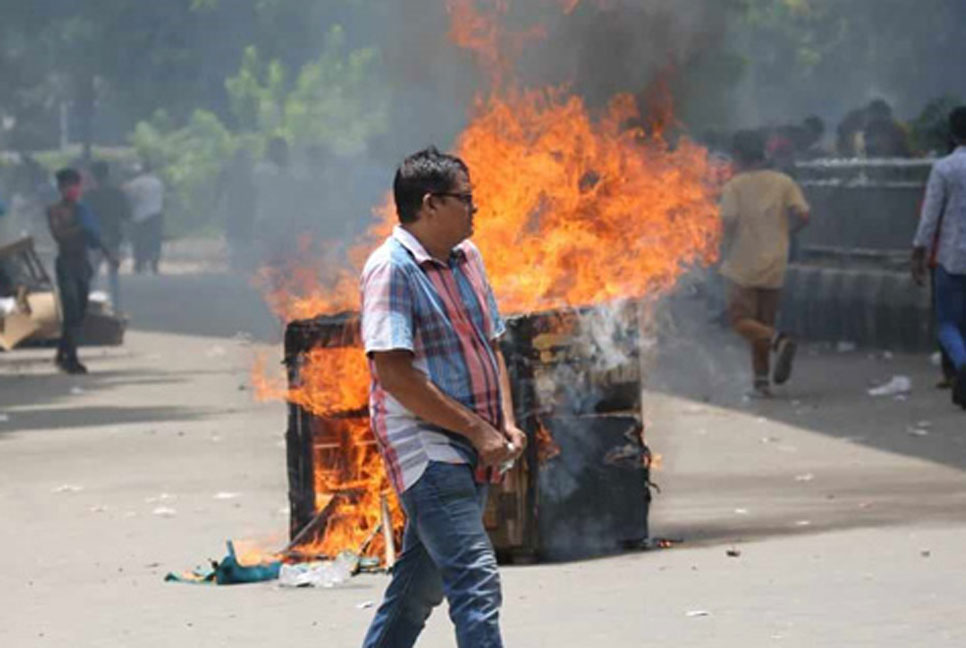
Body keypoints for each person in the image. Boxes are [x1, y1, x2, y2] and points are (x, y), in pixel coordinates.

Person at [359, 147, 525, 648]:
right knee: (475, 579)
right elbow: (394, 373)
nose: (476, 208)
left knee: (416, 589)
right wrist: (477, 429)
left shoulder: (468, 259)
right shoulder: (391, 269)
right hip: (428, 451)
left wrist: (506, 425)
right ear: (430, 205)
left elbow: (490, 343)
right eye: (466, 198)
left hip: (474, 449)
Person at [719, 130, 810, 397]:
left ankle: (779, 341)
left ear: (737, 156)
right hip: (775, 261)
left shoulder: (733, 186)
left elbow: (728, 221)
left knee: (739, 321)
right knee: (763, 322)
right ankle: (762, 382)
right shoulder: (784, 182)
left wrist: (717, 245)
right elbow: (804, 214)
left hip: (742, 263)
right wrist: (787, 233)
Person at [912, 106, 966, 408]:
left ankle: (961, 364)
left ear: (953, 134)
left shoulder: (944, 168)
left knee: (948, 323)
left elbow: (929, 216)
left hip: (952, 256)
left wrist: (918, 251)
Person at [46, 168, 115, 374]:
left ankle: (62, 352)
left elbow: (95, 235)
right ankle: (71, 358)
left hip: (82, 264)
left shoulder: (84, 210)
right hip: (66, 263)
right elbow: (58, 235)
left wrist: (109, 255)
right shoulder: (55, 211)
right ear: (60, 188)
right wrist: (80, 228)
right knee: (71, 309)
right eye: (68, 185)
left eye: (75, 185)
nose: (72, 189)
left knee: (80, 310)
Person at [84, 161, 131, 312]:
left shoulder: (89, 196)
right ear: (107, 174)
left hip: (95, 240)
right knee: (113, 275)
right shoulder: (118, 194)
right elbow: (127, 214)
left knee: (92, 275)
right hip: (113, 239)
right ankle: (116, 307)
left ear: (93, 176)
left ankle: (90, 307)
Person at [124, 161, 164, 273]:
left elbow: (130, 200)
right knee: (154, 241)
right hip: (156, 214)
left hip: (139, 216)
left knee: (139, 241)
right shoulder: (158, 182)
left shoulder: (134, 183)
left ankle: (139, 264)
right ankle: (154, 264)